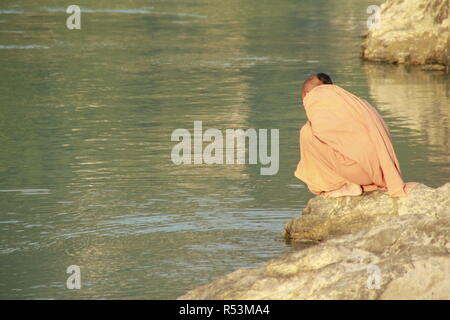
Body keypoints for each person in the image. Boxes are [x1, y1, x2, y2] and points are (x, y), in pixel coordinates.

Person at [295, 73, 417, 198]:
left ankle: (349, 184)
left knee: (307, 133)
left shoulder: (319, 97)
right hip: (379, 174)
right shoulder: (354, 102)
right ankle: (352, 181)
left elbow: (322, 132)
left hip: (359, 172)